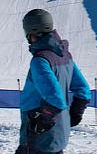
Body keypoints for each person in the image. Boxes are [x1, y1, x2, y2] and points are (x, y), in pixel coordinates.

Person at [17, 9, 91, 154]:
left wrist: (43, 119)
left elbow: (54, 96)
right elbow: (83, 89)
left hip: (39, 132)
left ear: (31, 32)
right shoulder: (64, 56)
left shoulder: (40, 60)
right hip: (59, 131)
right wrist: (75, 112)